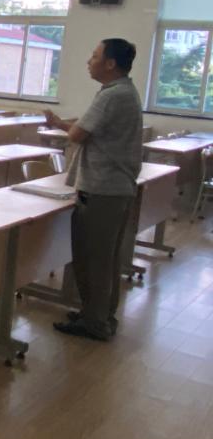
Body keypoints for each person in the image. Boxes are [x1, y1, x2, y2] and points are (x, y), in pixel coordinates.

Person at [46, 38, 143, 342]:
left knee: (94, 259)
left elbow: (78, 134)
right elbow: (88, 129)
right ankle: (99, 314)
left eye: (95, 56)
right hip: (114, 188)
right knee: (106, 258)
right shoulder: (124, 91)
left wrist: (59, 124)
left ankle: (95, 323)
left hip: (103, 190)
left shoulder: (112, 95)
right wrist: (64, 123)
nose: (89, 61)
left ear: (110, 64)